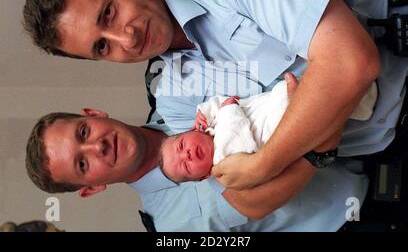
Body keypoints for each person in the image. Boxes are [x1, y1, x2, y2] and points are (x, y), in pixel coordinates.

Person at [22, 0, 407, 228]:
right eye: (102, 48)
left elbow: (351, 63)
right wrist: (310, 134)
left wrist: (265, 164)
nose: (127, 39)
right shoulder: (174, 98)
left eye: (109, 14)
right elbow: (248, 195)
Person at [25, 94, 368, 232]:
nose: (97, 146)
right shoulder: (174, 228)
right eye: (82, 165)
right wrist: (321, 137)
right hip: (367, 213)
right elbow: (259, 201)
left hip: (369, 124)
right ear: (93, 188)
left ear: (94, 114)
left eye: (84, 131)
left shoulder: (177, 96)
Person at [160, 75, 377, 183]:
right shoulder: (221, 160)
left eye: (181, 145)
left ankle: (356, 91)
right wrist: (226, 109)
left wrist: (205, 111)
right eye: (186, 166)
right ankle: (360, 96)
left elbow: (219, 102)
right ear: (203, 177)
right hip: (280, 121)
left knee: (324, 91)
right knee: (318, 103)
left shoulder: (211, 127)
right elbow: (238, 132)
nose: (186, 154)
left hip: (279, 104)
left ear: (192, 130)